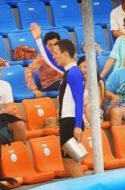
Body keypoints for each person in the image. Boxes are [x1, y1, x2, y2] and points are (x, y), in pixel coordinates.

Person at [30, 23, 85, 177]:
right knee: (66, 158)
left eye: (56, 54)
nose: (54, 56)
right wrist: (38, 40)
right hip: (66, 120)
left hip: (72, 121)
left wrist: (78, 126)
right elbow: (48, 60)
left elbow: (79, 100)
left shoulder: (74, 73)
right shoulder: (68, 70)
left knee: (72, 159)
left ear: (65, 54)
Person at [25, 31, 62, 97]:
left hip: (61, 81)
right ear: (45, 46)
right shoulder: (43, 57)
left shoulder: (62, 55)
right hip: (49, 85)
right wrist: (34, 89)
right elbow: (28, 71)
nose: (53, 48)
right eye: (50, 45)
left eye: (55, 44)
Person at [77, 56, 104, 129]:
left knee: (88, 108)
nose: (82, 69)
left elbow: (99, 103)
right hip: (80, 112)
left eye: (85, 67)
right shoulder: (76, 83)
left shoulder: (98, 83)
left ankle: (95, 132)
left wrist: (87, 102)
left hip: (94, 112)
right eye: (80, 67)